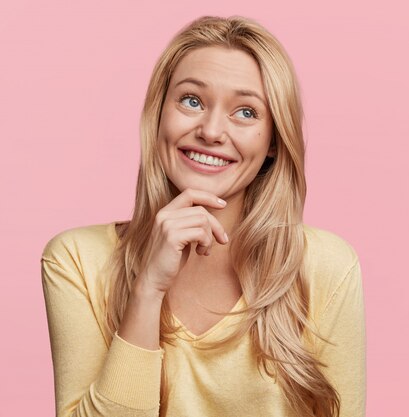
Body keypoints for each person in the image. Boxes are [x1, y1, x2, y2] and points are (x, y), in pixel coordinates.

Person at [40, 15, 366, 417]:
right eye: (191, 101)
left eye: (246, 112)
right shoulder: (76, 259)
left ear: (273, 143)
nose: (211, 131)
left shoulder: (325, 267)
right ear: (159, 115)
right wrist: (147, 291)